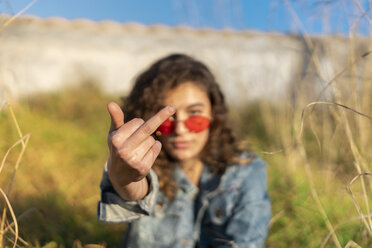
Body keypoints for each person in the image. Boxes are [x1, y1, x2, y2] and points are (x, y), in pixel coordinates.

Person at [98, 54, 271, 248]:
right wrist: (125, 180)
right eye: (167, 118)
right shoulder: (145, 164)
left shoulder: (246, 170)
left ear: (213, 114)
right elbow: (138, 191)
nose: (180, 129)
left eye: (194, 114)